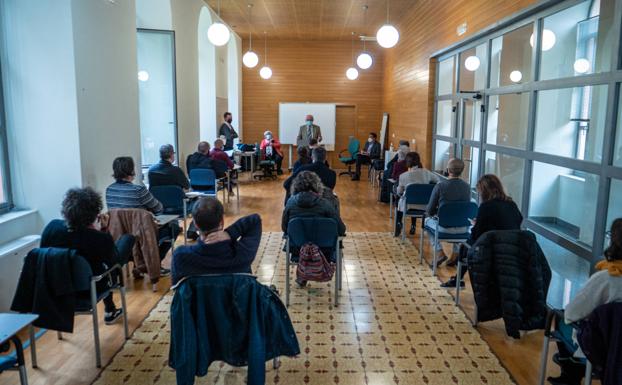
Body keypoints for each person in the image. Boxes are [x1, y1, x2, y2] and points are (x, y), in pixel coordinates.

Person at [41, 187, 135, 324]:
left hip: (55, 289)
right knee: (127, 239)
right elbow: (113, 265)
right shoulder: (99, 238)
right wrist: (103, 229)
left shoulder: (51, 228)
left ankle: (110, 308)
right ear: (94, 215)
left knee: (97, 263)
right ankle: (110, 310)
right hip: (90, 290)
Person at [546, 218, 622, 385]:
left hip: (602, 347)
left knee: (560, 318)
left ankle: (571, 370)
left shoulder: (607, 278)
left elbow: (573, 313)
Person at [440, 174, 523, 288]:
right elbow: (517, 222)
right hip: (513, 248)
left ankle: (458, 279)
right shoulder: (512, 204)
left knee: (466, 245)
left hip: (492, 249)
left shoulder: (486, 207)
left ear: (484, 191)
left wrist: (476, 224)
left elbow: (477, 234)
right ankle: (457, 278)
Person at [105, 156, 179, 269]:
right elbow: (159, 208)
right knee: (174, 227)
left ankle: (137, 263)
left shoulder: (109, 190)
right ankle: (153, 262)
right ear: (131, 170)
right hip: (143, 235)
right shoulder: (139, 190)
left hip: (119, 236)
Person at [171, 197, 262, 285]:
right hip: (237, 300)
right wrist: (229, 233)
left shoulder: (180, 257)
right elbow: (255, 220)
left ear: (195, 224)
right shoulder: (241, 254)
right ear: (222, 222)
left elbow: (178, 290)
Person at [282, 171, 346, 268]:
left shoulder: (290, 203)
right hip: (324, 251)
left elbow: (285, 228)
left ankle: (303, 274)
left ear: (295, 186)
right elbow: (341, 229)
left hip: (298, 250)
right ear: (317, 185)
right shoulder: (325, 204)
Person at [424, 158, 471, 266]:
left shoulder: (440, 186)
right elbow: (463, 208)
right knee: (456, 217)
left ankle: (439, 251)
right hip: (463, 228)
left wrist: (435, 212)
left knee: (426, 221)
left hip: (444, 227)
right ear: (462, 171)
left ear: (448, 170)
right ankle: (455, 253)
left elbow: (429, 210)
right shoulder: (467, 187)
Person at [394, 152, 439, 237]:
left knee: (399, 198)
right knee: (414, 197)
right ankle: (413, 225)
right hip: (425, 205)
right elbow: (438, 182)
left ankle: (399, 222)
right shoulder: (427, 173)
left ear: (407, 162)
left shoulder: (403, 176)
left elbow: (399, 192)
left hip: (408, 206)